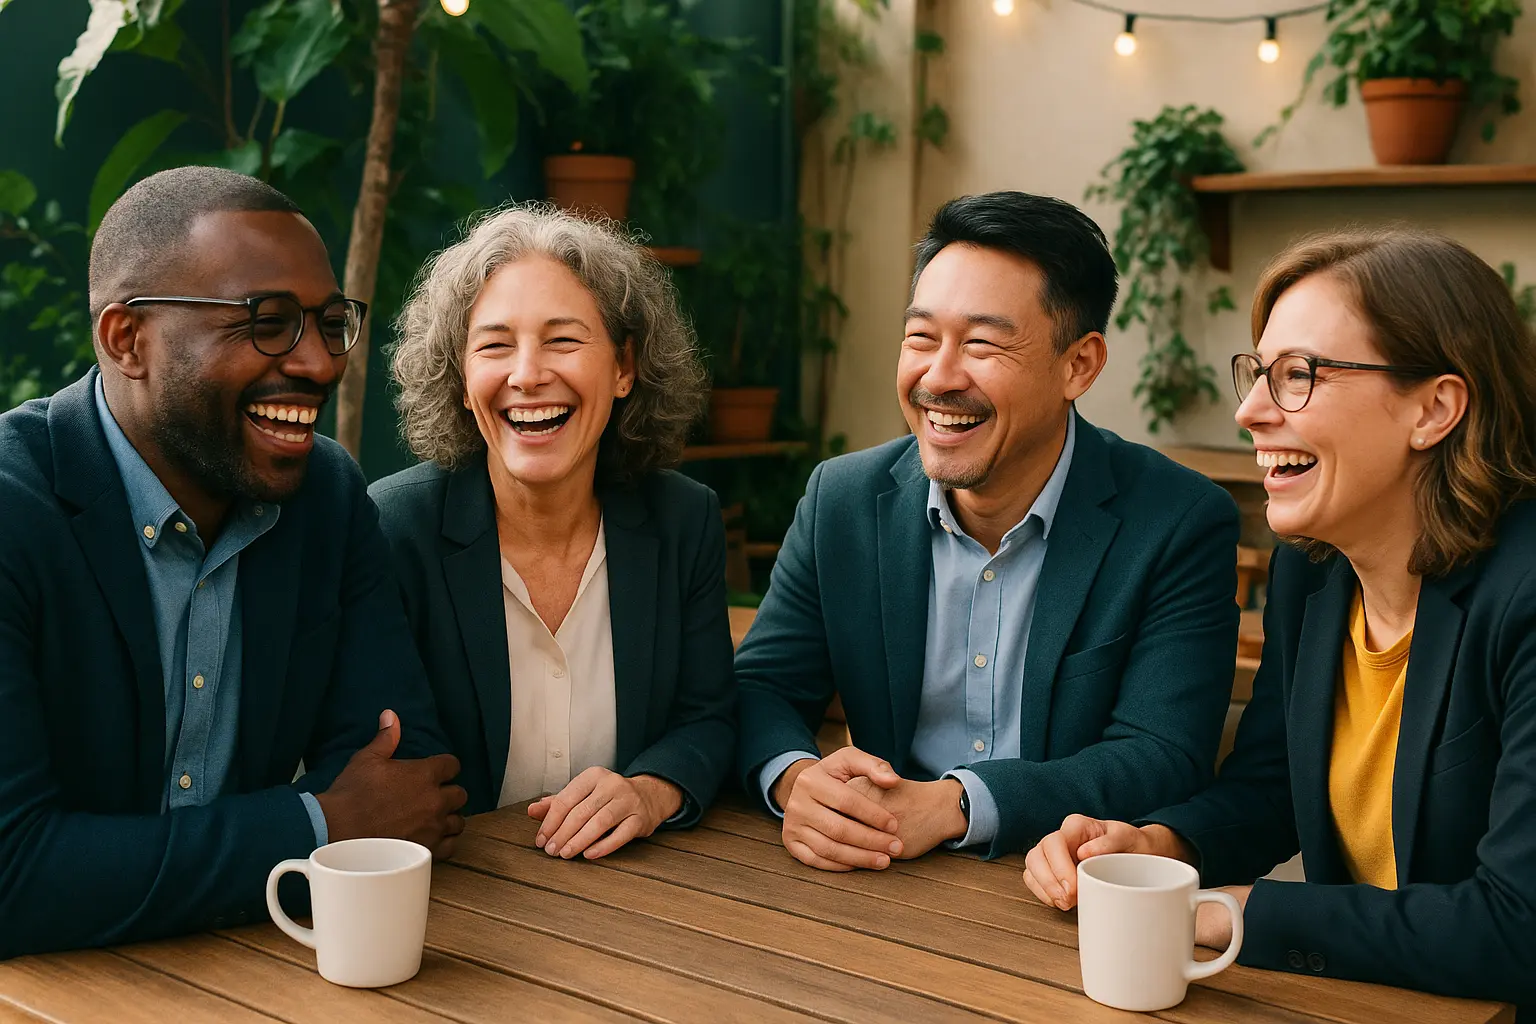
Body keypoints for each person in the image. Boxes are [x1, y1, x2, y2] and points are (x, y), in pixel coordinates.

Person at [1022, 229, 1536, 1012]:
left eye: (1299, 375)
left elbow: (1515, 926)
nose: (1249, 410)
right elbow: (1270, 788)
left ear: (1435, 407)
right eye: (1258, 373)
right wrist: (1160, 846)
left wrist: (1232, 913)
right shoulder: (1316, 566)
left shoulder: (1526, 597)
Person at [0, 167, 465, 959]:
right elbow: (14, 879)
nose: (320, 363)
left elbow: (408, 788)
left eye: (328, 323)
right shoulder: (15, 512)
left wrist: (110, 869)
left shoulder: (325, 493)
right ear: (126, 339)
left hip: (257, 972)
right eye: (268, 322)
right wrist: (318, 824)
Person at [735, 191, 1241, 869]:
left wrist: (954, 804)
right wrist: (799, 781)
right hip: (877, 878)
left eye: (982, 344)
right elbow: (761, 687)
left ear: (1079, 365)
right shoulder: (845, 500)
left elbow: (1161, 754)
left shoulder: (1176, 521)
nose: (939, 378)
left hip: (1061, 891)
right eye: (921, 337)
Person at [370, 205, 735, 861]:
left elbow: (707, 717)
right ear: (459, 378)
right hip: (459, 901)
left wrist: (650, 790)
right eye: (494, 344)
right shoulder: (397, 532)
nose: (527, 374)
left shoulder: (684, 521)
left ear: (625, 367)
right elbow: (391, 762)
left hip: (643, 891)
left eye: (563, 340)